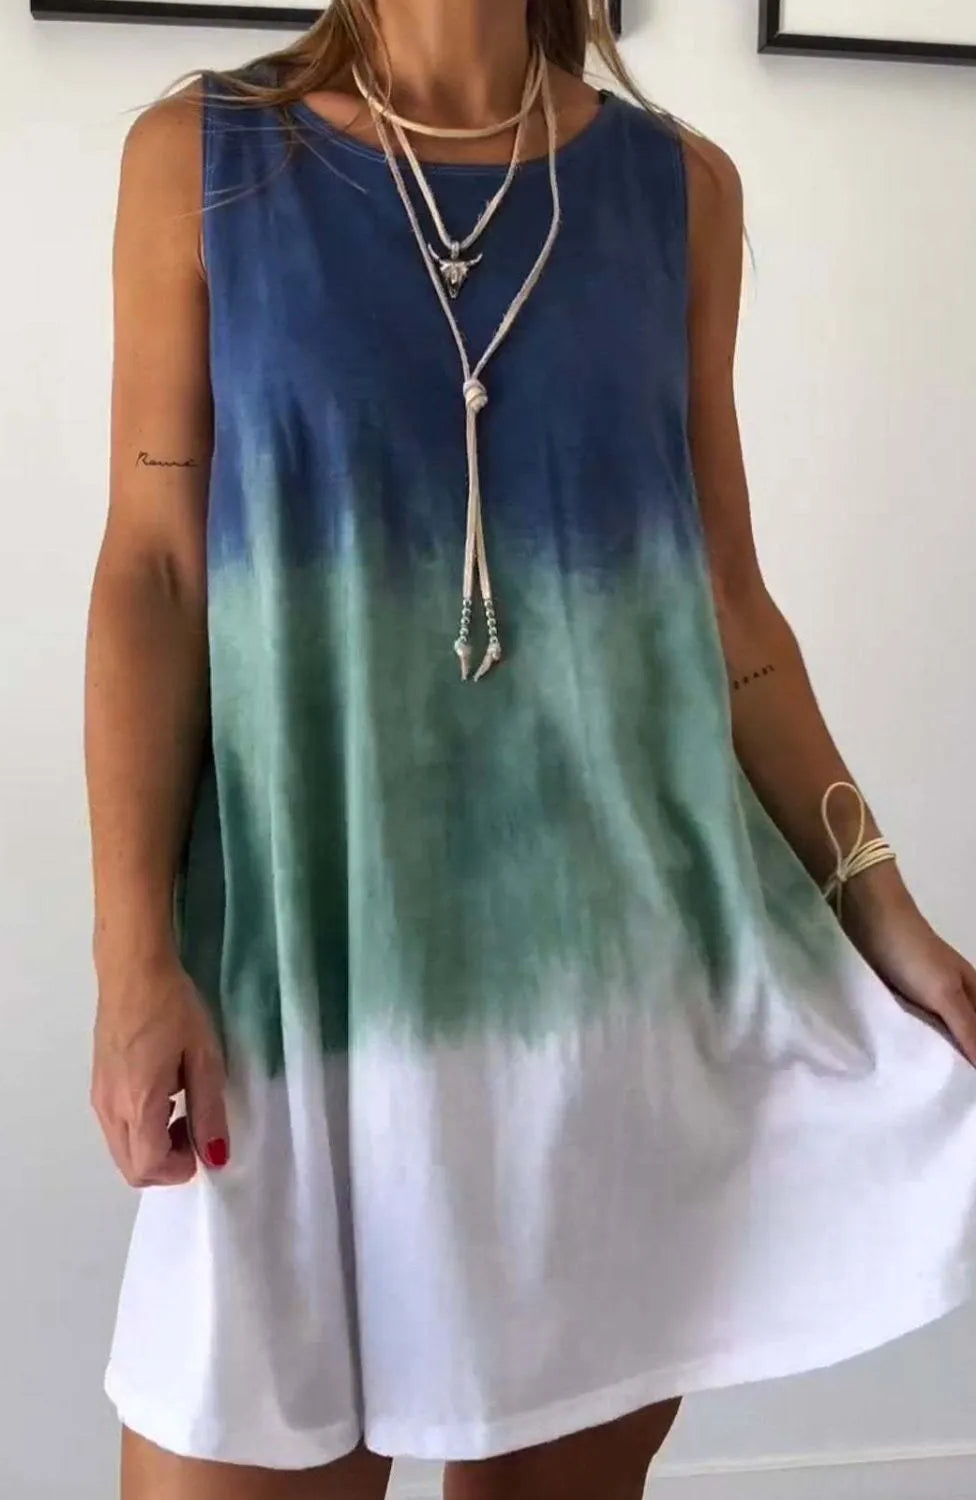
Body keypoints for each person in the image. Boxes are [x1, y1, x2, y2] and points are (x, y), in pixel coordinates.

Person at [84, 2, 976, 1496]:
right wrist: (131, 961)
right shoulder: (203, 164)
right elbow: (156, 576)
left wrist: (883, 908)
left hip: (607, 1006)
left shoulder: (677, 193)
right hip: (306, 981)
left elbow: (727, 606)